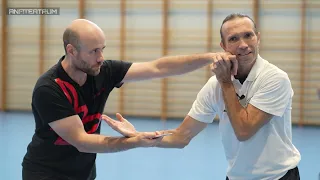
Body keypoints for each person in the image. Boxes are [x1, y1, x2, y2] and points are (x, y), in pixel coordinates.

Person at [21, 19, 237, 180]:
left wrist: (210, 57)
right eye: (94, 51)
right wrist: (135, 140)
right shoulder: (49, 89)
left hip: (83, 172)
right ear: (71, 50)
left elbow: (158, 67)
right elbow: (82, 142)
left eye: (102, 49)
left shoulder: (101, 70)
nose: (100, 58)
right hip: (45, 172)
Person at [103, 13, 301, 180]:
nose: (243, 44)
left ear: (258, 38)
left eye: (248, 36)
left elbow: (244, 130)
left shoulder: (274, 78)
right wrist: (138, 135)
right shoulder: (215, 85)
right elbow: (181, 136)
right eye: (233, 39)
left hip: (278, 176)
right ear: (223, 46)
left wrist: (225, 82)